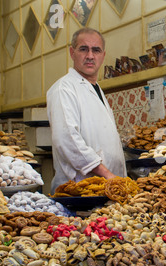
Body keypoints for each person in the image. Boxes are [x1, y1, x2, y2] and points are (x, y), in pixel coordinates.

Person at [47, 27, 127, 193]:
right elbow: (67, 139)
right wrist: (107, 174)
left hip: (106, 190)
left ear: (103, 55)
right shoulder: (64, 88)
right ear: (72, 52)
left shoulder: (96, 89)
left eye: (96, 50)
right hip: (79, 193)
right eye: (83, 49)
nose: (90, 56)